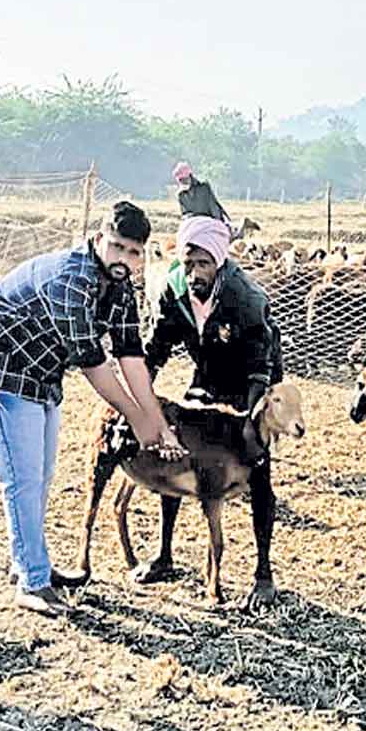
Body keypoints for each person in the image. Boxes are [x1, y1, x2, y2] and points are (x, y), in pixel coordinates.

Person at [0, 201, 185, 617]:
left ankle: (29, 563)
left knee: (41, 474)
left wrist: (158, 424)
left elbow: (131, 356)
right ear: (99, 239)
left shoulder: (119, 288)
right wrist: (137, 420)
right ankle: (32, 582)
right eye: (117, 246)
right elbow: (94, 363)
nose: (124, 258)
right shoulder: (73, 279)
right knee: (22, 477)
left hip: (41, 369)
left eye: (134, 252)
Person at [140, 215, 284, 607]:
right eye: (188, 263)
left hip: (250, 384)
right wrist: (140, 401)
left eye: (203, 263)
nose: (194, 273)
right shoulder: (174, 293)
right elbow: (156, 349)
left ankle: (263, 574)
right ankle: (165, 555)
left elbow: (261, 366)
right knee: (175, 456)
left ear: (218, 262)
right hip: (206, 378)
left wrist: (252, 423)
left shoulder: (245, 298)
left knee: (257, 472)